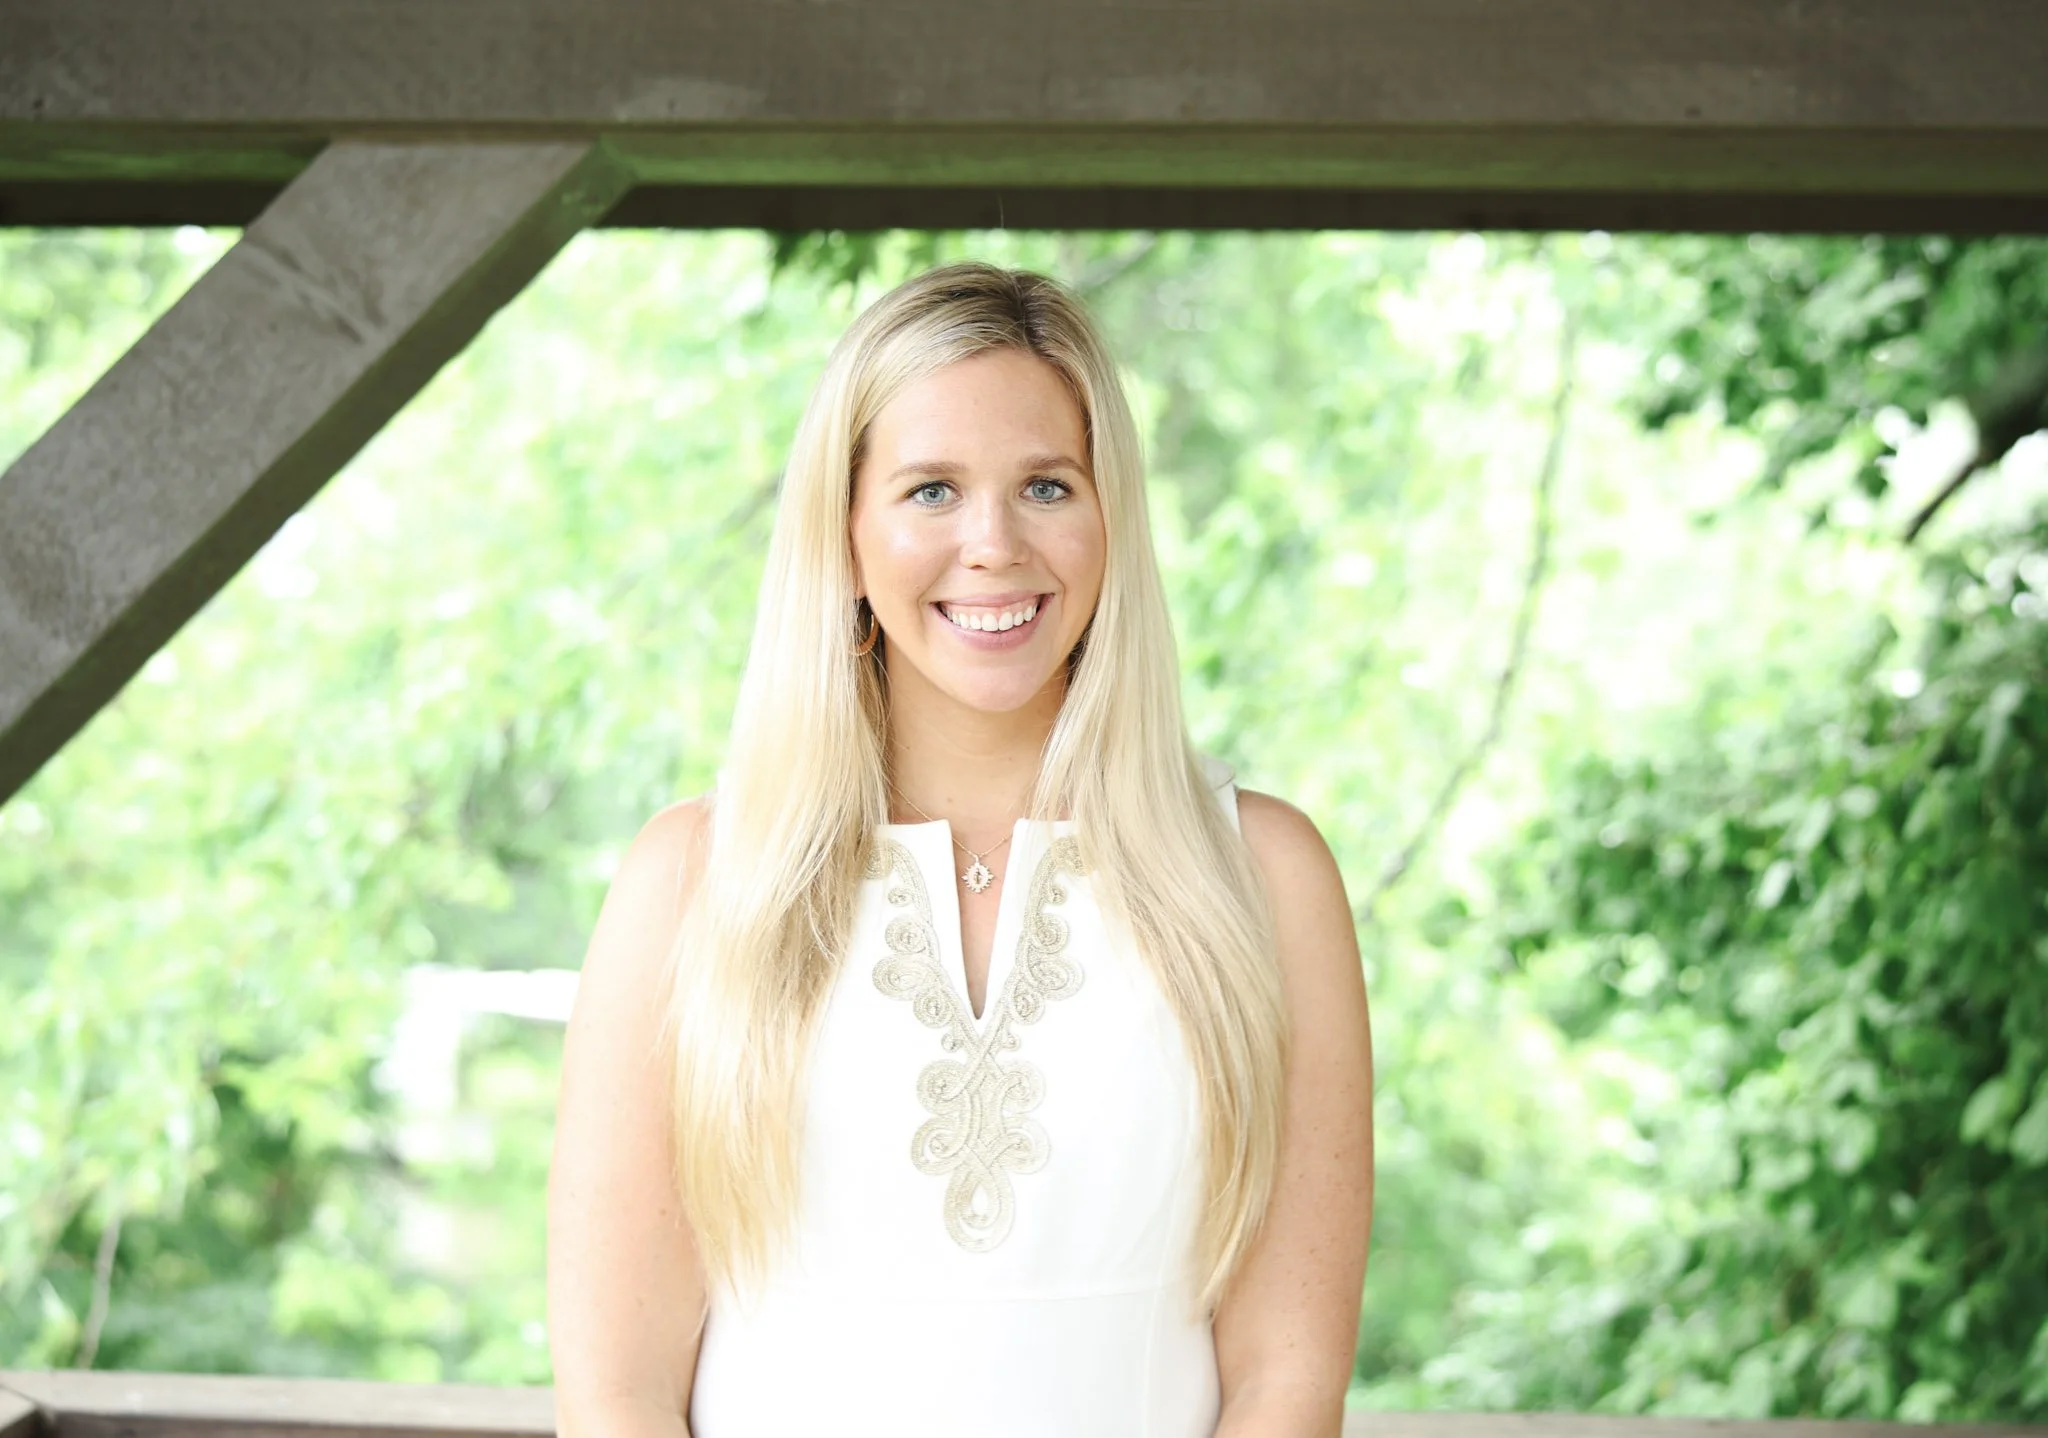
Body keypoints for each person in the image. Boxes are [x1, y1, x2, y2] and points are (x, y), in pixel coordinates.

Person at [546, 260, 1373, 1438]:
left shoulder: (1264, 879)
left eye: (1045, 485)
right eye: (930, 489)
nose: (992, 544)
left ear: (1110, 520)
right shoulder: (688, 887)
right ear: (845, 530)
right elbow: (615, 1395)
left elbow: (1286, 1381)